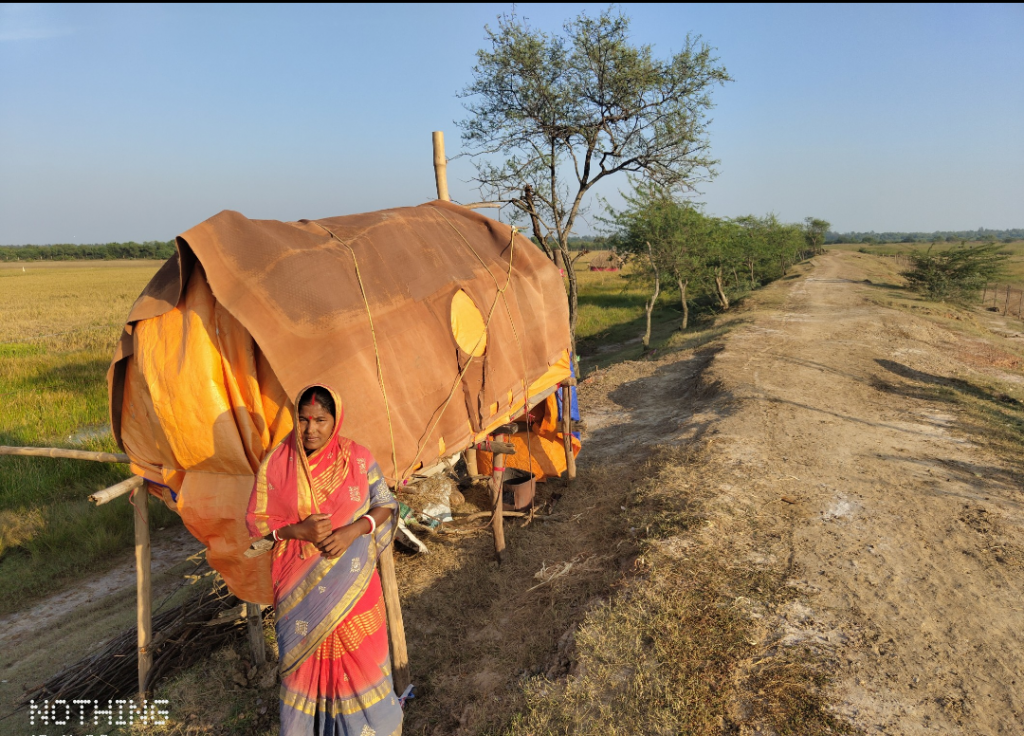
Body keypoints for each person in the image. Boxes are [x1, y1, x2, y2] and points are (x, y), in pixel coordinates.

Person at [246, 384, 403, 736]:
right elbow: (257, 533)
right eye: (302, 419)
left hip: (356, 593)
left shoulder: (358, 458)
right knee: (305, 675)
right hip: (299, 603)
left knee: (362, 668)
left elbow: (386, 504)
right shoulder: (275, 465)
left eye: (320, 419)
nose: (310, 429)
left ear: (336, 420)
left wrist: (354, 530)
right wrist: (296, 531)